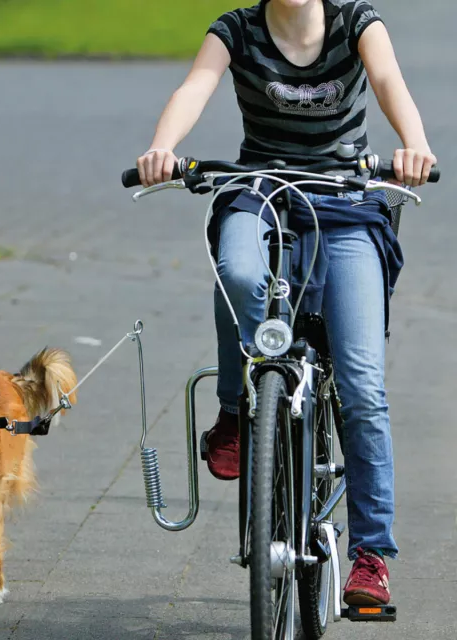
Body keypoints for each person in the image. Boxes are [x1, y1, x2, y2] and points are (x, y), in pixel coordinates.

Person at [135, 0, 436, 606]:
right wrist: (162, 147)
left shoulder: (356, 23)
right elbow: (196, 84)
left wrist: (414, 144)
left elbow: (386, 81)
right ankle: (237, 408)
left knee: (361, 383)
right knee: (239, 273)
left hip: (347, 201)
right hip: (261, 193)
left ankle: (371, 555)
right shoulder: (237, 29)